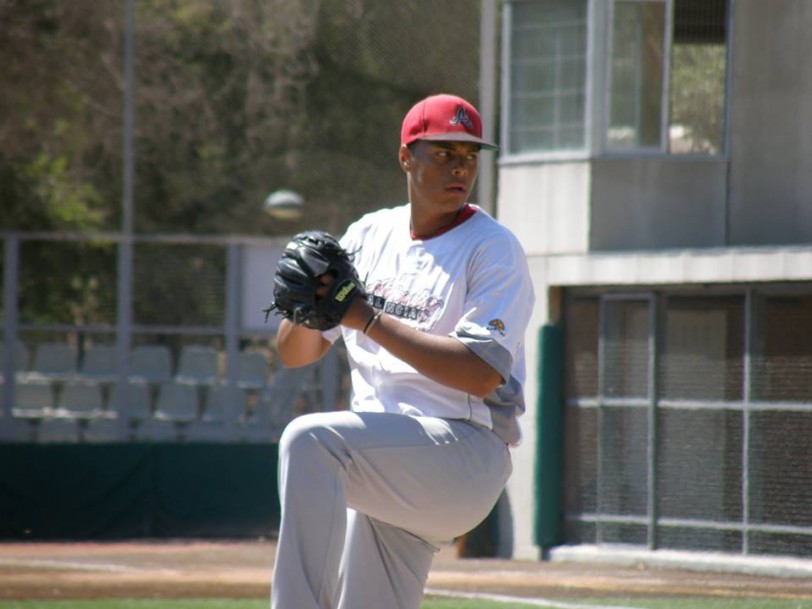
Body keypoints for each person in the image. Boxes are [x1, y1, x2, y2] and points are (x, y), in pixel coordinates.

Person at [270, 93, 535, 609]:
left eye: (470, 156)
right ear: (406, 156)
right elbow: (293, 353)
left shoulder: (492, 247)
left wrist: (363, 317)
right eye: (444, 153)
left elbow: (481, 374)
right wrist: (310, 308)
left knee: (310, 440)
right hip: (382, 460)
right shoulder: (370, 235)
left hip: (461, 454)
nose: (460, 167)